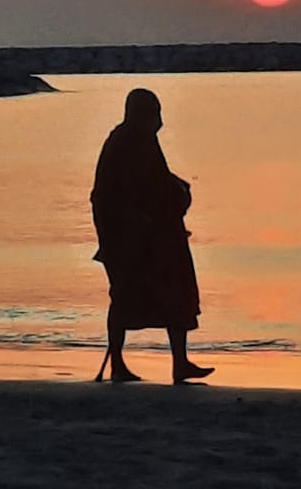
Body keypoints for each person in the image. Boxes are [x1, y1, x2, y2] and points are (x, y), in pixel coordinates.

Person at [90, 88, 214, 383]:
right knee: (123, 297)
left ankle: (180, 362)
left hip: (157, 233)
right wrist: (131, 221)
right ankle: (117, 364)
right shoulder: (122, 143)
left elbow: (157, 182)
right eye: (155, 115)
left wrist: (178, 192)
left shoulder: (146, 142)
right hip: (127, 238)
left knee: (177, 292)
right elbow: (107, 195)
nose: (159, 122)